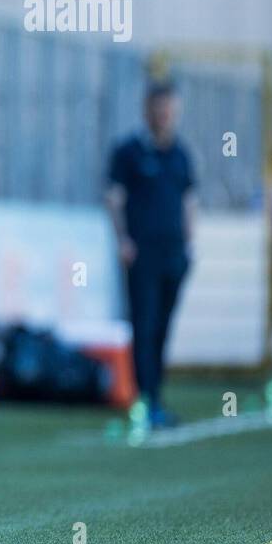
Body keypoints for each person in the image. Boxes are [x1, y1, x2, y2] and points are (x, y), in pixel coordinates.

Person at [106, 82, 197, 428]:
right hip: (142, 254)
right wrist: (123, 240)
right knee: (142, 325)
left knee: (162, 326)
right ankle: (143, 399)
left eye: (169, 110)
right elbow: (114, 198)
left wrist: (190, 244)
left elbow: (190, 201)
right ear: (147, 111)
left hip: (174, 254)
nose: (164, 116)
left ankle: (156, 396)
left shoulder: (181, 155)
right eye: (158, 109)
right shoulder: (129, 152)